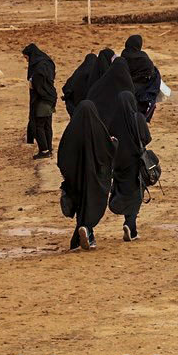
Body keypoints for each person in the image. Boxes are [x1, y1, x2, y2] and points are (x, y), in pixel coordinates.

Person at [57, 100, 116, 250]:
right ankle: (87, 229)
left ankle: (83, 236)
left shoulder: (71, 131)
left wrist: (70, 175)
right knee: (91, 205)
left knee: (81, 206)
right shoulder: (98, 130)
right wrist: (114, 143)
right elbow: (108, 152)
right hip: (94, 179)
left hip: (76, 179)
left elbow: (62, 155)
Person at [107, 90, 152, 242]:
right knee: (136, 194)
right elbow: (146, 138)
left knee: (123, 191)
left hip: (118, 164)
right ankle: (130, 224)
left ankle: (131, 229)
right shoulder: (138, 118)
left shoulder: (112, 120)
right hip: (135, 162)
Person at [23, 43, 57, 160]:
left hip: (43, 99)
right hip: (50, 97)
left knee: (39, 125)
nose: (27, 61)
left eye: (27, 58)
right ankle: (48, 148)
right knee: (47, 124)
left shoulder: (39, 67)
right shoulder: (46, 62)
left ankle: (44, 150)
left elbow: (39, 84)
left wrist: (33, 84)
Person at [122, 34, 162, 122]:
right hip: (142, 93)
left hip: (126, 89)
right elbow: (151, 74)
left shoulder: (123, 55)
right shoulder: (144, 58)